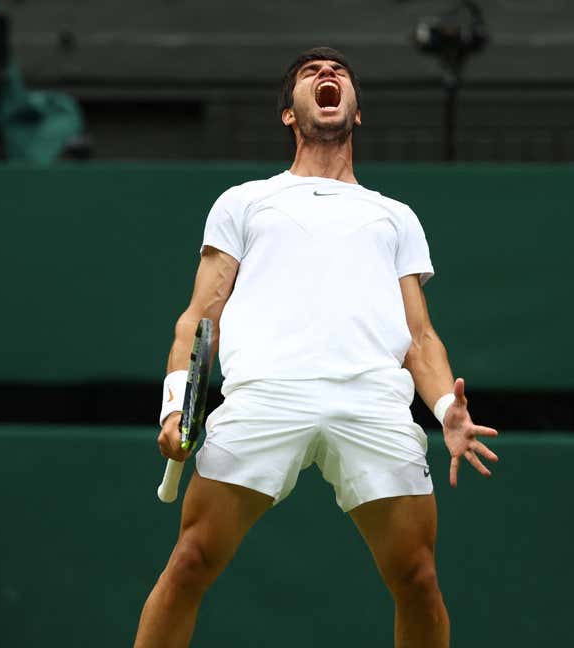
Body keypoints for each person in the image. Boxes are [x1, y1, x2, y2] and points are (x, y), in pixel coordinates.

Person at [133, 47, 498, 648]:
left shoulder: (395, 217)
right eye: (310, 73)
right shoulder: (244, 202)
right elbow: (200, 318)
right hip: (265, 397)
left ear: (356, 113)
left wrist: (445, 410)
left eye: (339, 73)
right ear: (289, 114)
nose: (327, 76)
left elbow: (420, 334)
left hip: (372, 403)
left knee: (418, 578)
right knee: (192, 559)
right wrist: (176, 404)